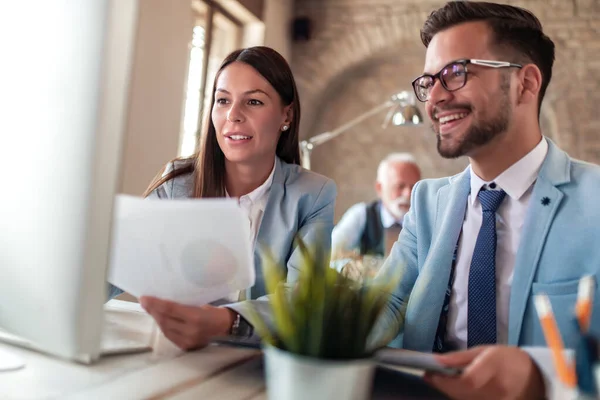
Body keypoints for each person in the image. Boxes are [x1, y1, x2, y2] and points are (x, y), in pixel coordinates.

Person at [370, 2, 600, 399]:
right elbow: (375, 307)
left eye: (456, 73)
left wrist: (541, 378)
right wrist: (239, 322)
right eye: (429, 81)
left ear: (526, 83)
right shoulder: (428, 203)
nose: (434, 98)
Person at [109, 46, 336, 350]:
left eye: (253, 101)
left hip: (256, 365)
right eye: (223, 100)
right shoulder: (177, 185)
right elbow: (116, 264)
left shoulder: (312, 194)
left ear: (287, 115)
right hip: (174, 355)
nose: (233, 115)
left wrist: (228, 321)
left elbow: (302, 297)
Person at [331, 153, 421, 258]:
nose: (408, 194)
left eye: (414, 187)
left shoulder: (425, 220)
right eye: (400, 186)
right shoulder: (362, 214)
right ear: (379, 188)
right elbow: (331, 252)